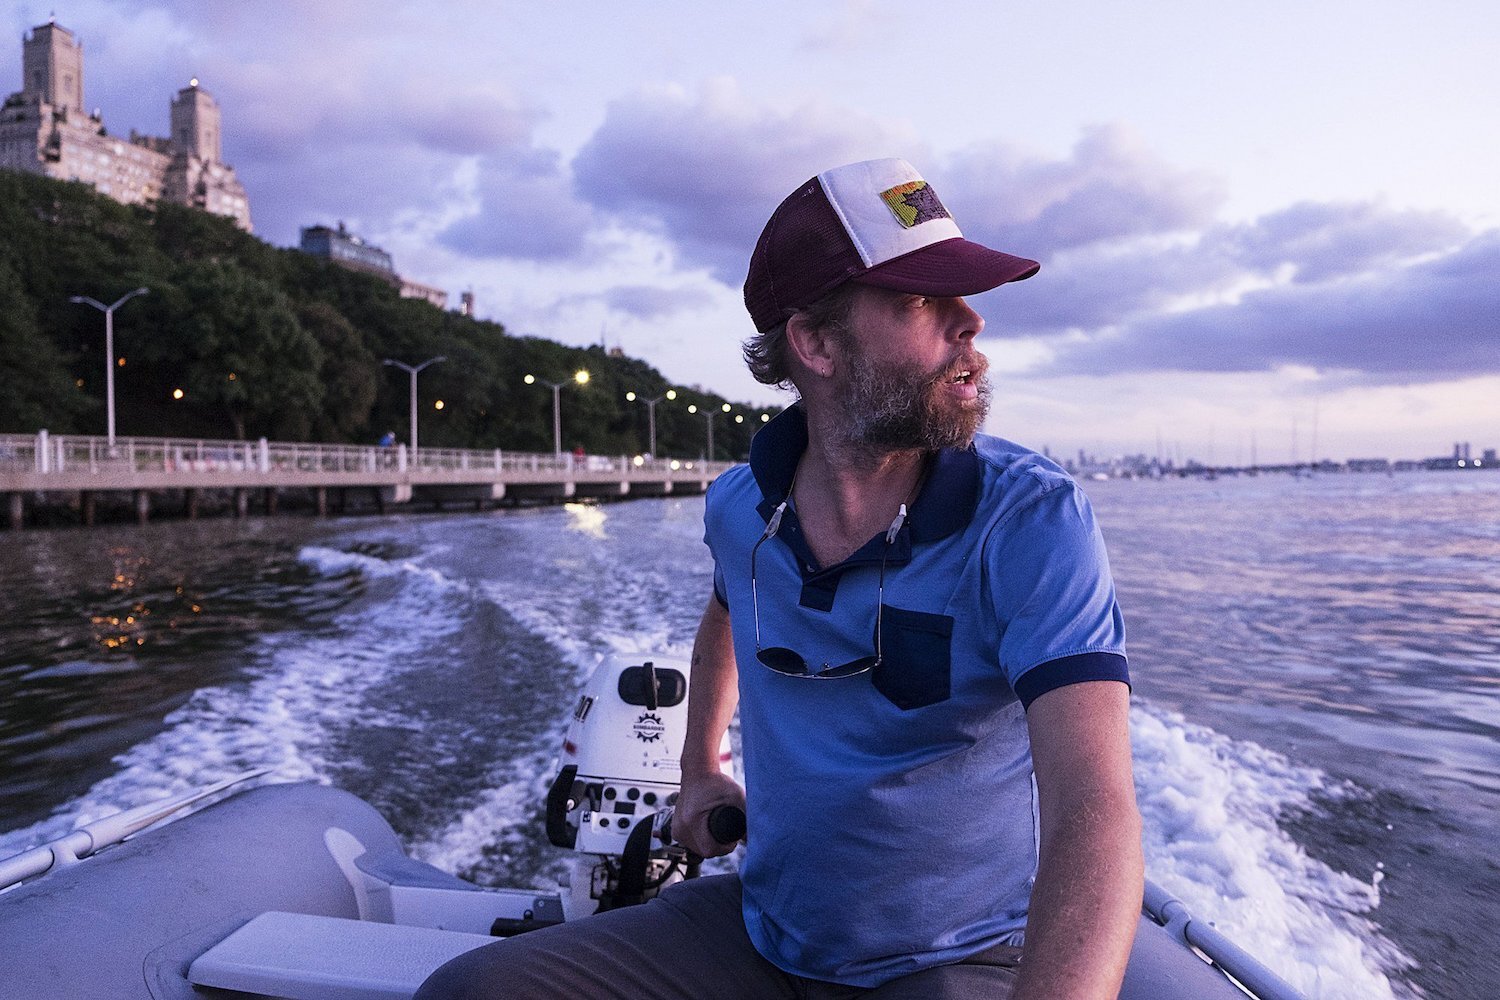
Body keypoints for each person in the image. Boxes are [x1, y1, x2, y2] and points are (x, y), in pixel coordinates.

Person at [417, 158, 1142, 1000]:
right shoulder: (741, 508)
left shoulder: (1031, 522)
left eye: (962, 296)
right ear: (816, 344)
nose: (971, 320)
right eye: (920, 299)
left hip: (958, 955)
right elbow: (726, 610)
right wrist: (699, 767)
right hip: (762, 934)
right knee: (469, 992)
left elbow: (1094, 808)